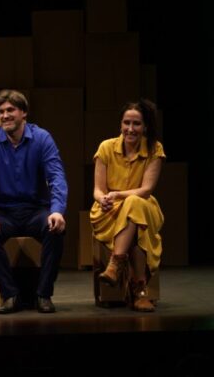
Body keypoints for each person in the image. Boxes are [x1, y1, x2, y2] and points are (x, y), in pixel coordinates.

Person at [0, 90, 67, 314]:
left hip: (36, 210)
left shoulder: (41, 138)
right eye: (1, 112)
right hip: (4, 211)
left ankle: (43, 294)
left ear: (24, 113)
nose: (4, 115)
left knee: (56, 229)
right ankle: (10, 295)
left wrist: (57, 210)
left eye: (10, 110)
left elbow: (57, 177)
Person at [91, 99, 164, 312]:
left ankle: (116, 264)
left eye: (136, 124)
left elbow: (146, 190)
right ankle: (140, 292)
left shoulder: (154, 148)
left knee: (134, 204)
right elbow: (97, 190)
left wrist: (118, 195)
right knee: (137, 227)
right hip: (110, 211)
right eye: (126, 123)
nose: (130, 129)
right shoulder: (106, 147)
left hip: (144, 205)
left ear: (145, 127)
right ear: (120, 124)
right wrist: (102, 199)